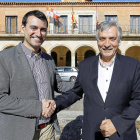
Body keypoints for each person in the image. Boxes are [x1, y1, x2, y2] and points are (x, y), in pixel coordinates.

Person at [49, 21, 140, 140]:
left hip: (122, 134)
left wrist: (117, 124)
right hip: (92, 133)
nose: (107, 44)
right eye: (102, 39)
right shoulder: (85, 65)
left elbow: (138, 100)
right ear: (97, 41)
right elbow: (75, 92)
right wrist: (55, 103)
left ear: (119, 40)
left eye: (112, 38)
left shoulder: (132, 65)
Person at [0, 10, 74, 140]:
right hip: (18, 133)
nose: (39, 34)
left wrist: (87, 80)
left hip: (47, 130)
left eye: (43, 29)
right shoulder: (5, 58)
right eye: (33, 28)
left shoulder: (49, 59)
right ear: (23, 28)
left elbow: (61, 85)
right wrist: (38, 107)